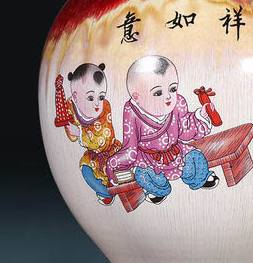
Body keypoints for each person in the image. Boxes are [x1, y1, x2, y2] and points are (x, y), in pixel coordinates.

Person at [106, 55, 219, 205]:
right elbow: (130, 147)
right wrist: (115, 164)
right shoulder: (132, 113)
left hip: (176, 151)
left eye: (172, 89)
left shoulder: (178, 102)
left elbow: (185, 129)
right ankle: (158, 190)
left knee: (195, 157)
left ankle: (200, 178)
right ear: (137, 97)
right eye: (158, 93)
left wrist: (200, 116)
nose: (168, 97)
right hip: (148, 159)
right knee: (143, 174)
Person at [64, 63, 121, 206]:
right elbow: (71, 135)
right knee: (86, 170)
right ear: (75, 97)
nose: (97, 103)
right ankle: (106, 193)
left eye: (101, 97)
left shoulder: (105, 108)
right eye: (90, 98)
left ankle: (119, 190)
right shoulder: (70, 106)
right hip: (92, 157)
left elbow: (104, 137)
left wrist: (80, 133)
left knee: (119, 173)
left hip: (109, 152)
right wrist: (71, 130)